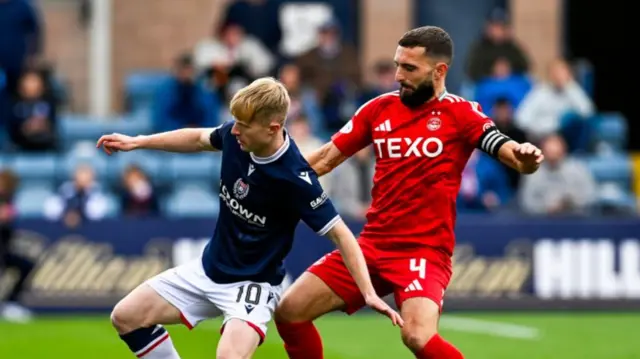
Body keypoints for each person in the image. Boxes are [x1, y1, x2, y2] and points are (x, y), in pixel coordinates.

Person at [274, 26, 544, 359]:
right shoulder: (378, 109)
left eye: (410, 68)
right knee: (290, 312)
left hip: (424, 252)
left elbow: (509, 153)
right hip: (371, 246)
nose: (399, 75)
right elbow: (326, 158)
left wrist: (526, 158)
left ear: (439, 71)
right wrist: (272, 176)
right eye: (398, 64)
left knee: (417, 335)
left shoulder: (461, 114)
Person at [96, 77, 401, 359]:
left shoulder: (296, 179)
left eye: (244, 125)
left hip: (252, 287)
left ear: (272, 127)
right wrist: (138, 141)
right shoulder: (236, 135)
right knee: (126, 317)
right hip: (208, 269)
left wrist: (369, 292)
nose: (235, 130)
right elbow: (198, 138)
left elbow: (342, 235)